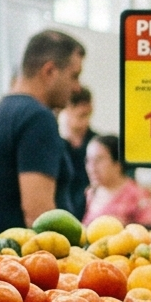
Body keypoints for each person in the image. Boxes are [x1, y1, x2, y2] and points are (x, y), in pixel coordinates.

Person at [0, 29, 85, 234]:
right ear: (50, 71)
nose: (77, 88)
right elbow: (38, 215)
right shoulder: (38, 118)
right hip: (28, 254)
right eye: (74, 76)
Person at [84, 135, 151, 228]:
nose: (92, 167)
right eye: (88, 160)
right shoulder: (91, 193)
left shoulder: (137, 195)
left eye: (98, 160)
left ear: (118, 163)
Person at [55, 87, 95, 217]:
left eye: (89, 115)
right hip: (62, 213)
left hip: (92, 214)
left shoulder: (97, 145)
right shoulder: (56, 146)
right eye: (81, 115)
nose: (86, 121)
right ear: (68, 110)